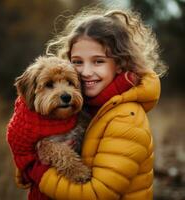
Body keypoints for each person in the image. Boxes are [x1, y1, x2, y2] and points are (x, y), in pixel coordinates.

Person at [16, 7, 167, 200]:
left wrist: (37, 171)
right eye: (77, 62)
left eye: (98, 62)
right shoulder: (86, 105)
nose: (86, 72)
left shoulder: (126, 119)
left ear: (120, 63)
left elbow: (96, 194)